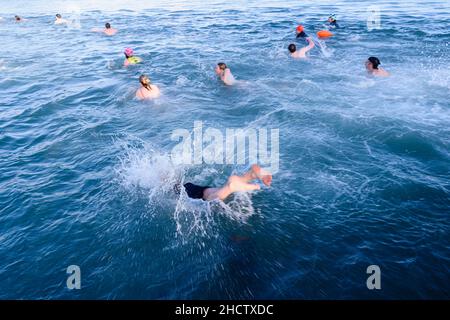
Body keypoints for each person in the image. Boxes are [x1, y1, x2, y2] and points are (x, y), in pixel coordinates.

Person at [178, 164, 272, 201]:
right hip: (202, 189)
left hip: (194, 190)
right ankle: (252, 175)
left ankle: (230, 188)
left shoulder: (181, 189)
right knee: (213, 194)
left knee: (210, 199)